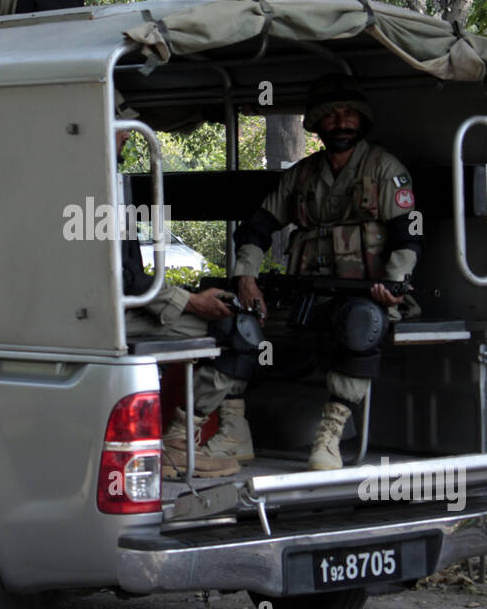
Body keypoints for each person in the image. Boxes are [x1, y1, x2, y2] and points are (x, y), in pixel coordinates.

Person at [231, 74, 424, 471]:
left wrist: (395, 284)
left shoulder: (385, 169)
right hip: (307, 293)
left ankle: (330, 434)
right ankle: (233, 425)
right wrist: (246, 277)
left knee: (362, 324)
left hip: (365, 294)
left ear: (362, 120)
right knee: (236, 320)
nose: (341, 122)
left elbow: (409, 235)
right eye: (331, 115)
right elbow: (257, 228)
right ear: (317, 124)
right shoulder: (300, 176)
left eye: (349, 113)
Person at [115, 128, 248, 479]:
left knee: (234, 323)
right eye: (117, 124)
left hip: (115, 308)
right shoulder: (84, 188)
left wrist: (186, 295)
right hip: (95, 319)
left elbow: (128, 275)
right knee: (234, 330)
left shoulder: (106, 181)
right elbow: (117, 278)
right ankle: (180, 442)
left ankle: (211, 435)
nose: (127, 134)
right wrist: (188, 301)